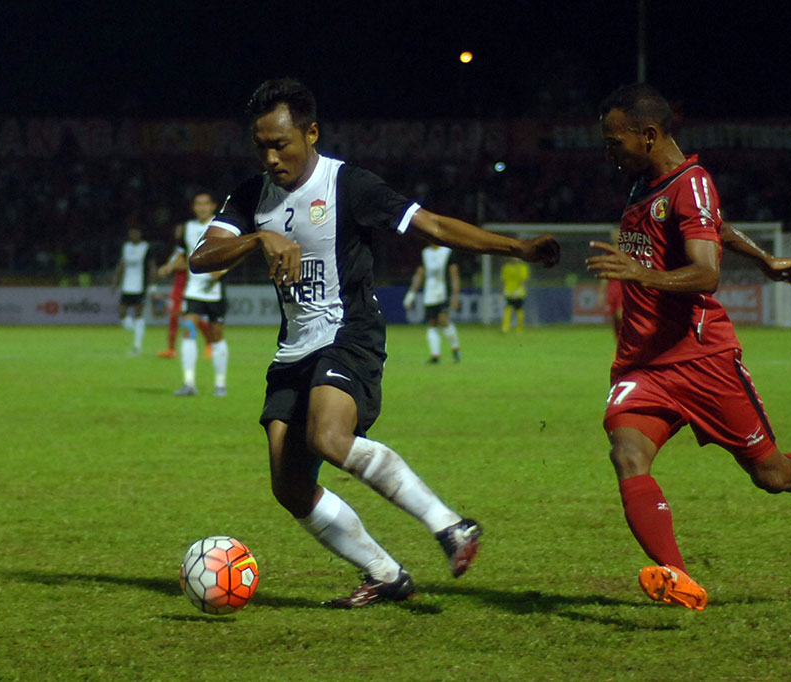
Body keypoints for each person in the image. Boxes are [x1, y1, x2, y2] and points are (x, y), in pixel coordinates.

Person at [190, 78, 559, 607]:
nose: (271, 158)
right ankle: (384, 573)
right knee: (289, 487)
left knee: (329, 436)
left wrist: (516, 249)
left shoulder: (350, 185)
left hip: (349, 334)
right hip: (293, 349)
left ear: (311, 133)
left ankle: (450, 525)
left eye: (281, 144)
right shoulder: (251, 196)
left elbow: (433, 226)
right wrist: (257, 237)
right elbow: (201, 259)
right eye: (261, 146)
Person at [586, 83, 791, 611]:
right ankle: (679, 576)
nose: (609, 152)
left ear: (648, 135)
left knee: (772, 474)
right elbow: (712, 227)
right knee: (627, 454)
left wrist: (641, 274)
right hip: (644, 363)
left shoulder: (690, 182)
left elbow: (706, 273)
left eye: (614, 141)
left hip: (701, 359)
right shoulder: (644, 183)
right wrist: (764, 259)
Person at [173, 191, 229, 397]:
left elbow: (234, 252)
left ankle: (220, 384)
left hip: (215, 292)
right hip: (193, 290)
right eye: (198, 204)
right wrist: (170, 266)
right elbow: (182, 254)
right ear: (194, 207)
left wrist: (221, 270)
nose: (202, 208)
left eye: (206, 204)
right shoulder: (187, 227)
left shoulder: (221, 226)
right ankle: (189, 383)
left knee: (216, 336)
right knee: (188, 330)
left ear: (213, 206)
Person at [158, 223, 212, 359]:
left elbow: (187, 263)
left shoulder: (189, 247)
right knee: (174, 315)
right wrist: (167, 268)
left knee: (192, 316)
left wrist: (170, 268)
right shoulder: (178, 250)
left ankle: (209, 343)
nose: (177, 232)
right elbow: (176, 263)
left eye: (180, 230)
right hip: (177, 285)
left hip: (187, 284)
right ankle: (171, 349)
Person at [403, 244, 462, 362]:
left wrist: (456, 296)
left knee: (443, 320)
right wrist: (411, 294)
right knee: (432, 322)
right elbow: (420, 274)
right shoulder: (425, 253)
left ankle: (455, 349)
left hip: (444, 292)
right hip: (430, 294)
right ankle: (435, 355)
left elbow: (454, 275)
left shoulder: (448, 252)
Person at [112, 226, 154, 356]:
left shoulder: (146, 247)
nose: (133, 235)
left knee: (138, 314)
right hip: (127, 286)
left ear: (140, 234)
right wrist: (116, 282)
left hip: (140, 286)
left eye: (136, 232)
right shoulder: (126, 247)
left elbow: (151, 266)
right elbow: (122, 264)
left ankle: (137, 345)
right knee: (122, 314)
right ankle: (138, 331)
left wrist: (153, 284)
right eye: (131, 233)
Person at [500, 257, 530, 332]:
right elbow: (504, 279)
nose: (515, 259)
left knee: (519, 309)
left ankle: (519, 328)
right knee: (508, 308)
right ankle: (505, 327)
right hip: (509, 291)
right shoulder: (506, 267)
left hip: (518, 292)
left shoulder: (522, 267)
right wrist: (504, 289)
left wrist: (518, 290)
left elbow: (524, 280)